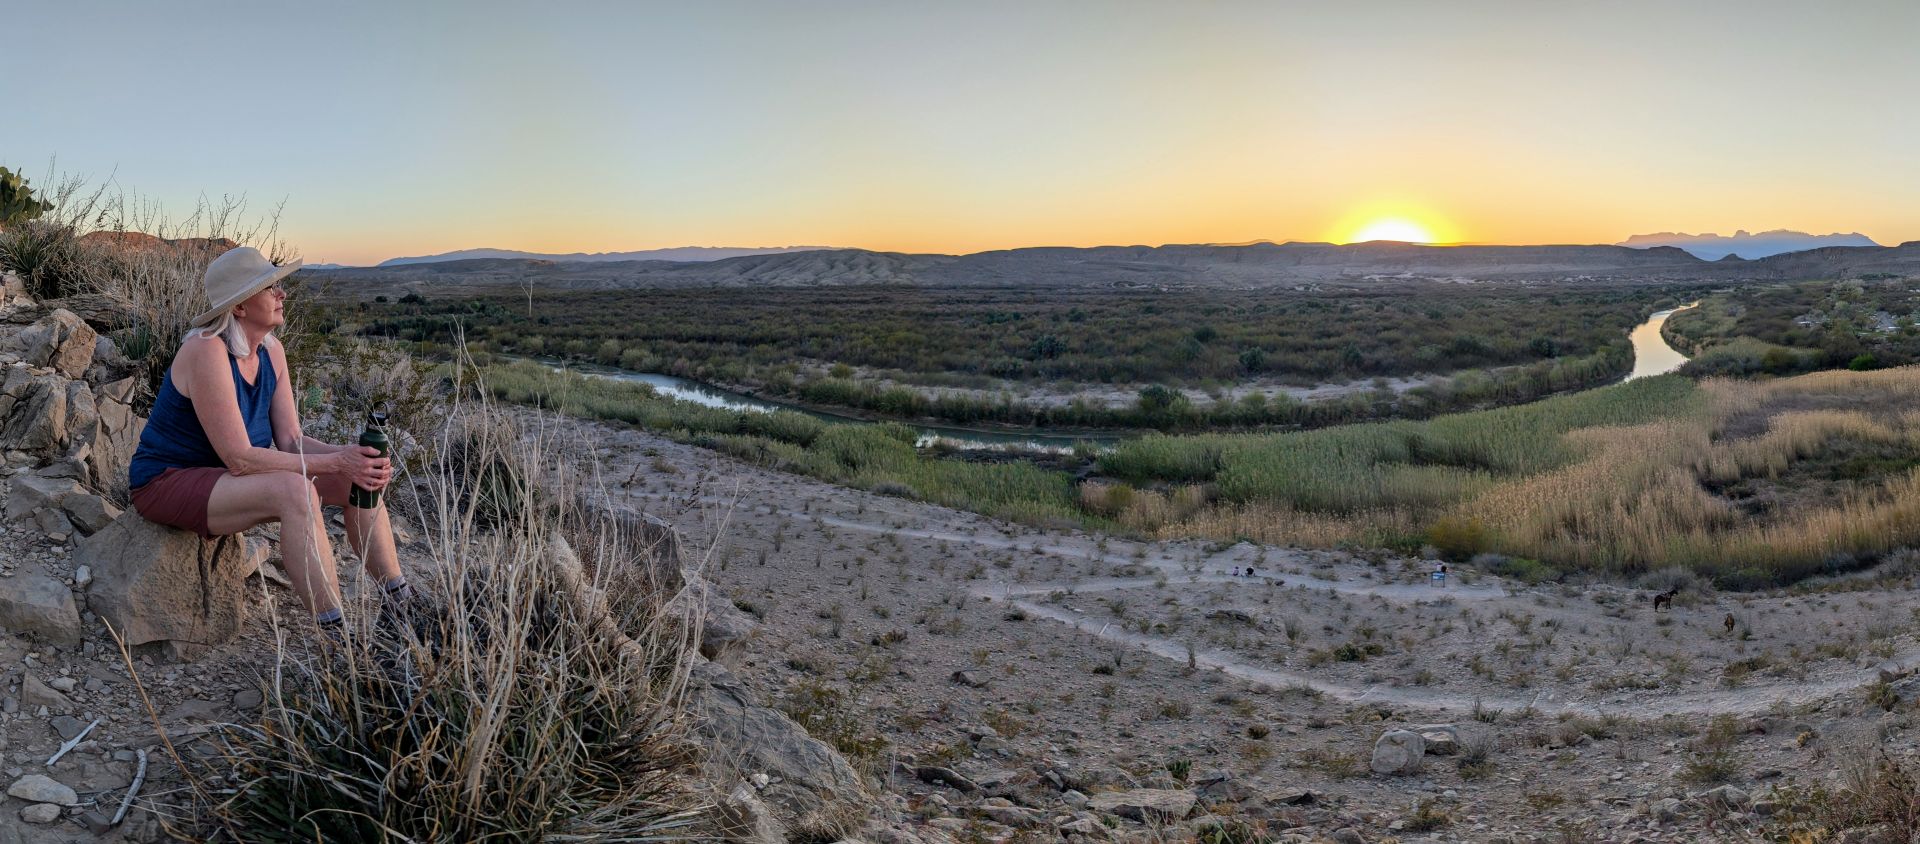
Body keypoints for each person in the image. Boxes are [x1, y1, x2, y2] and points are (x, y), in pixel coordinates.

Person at [127, 246, 408, 636]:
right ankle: (337, 638)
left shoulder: (272, 352)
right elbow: (240, 458)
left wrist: (353, 459)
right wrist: (337, 462)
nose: (283, 295)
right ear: (240, 307)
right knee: (296, 492)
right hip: (168, 480)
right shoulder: (206, 350)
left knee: (359, 481)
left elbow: (291, 439)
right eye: (271, 288)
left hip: (225, 480)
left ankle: (400, 605)